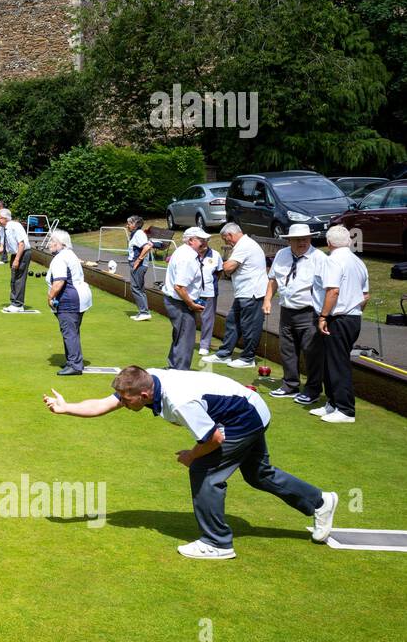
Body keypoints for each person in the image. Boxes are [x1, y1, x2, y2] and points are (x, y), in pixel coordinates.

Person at [43, 366, 338, 560]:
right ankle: (320, 502)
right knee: (258, 474)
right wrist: (66, 408)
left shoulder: (179, 401)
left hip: (241, 419)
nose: (122, 402)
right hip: (248, 409)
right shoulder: (146, 381)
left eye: (126, 399)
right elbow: (102, 405)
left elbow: (213, 439)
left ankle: (217, 543)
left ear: (144, 395)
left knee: (205, 471)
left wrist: (190, 455)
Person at [303, 225, 369, 424]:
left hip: (338, 318)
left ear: (329, 243)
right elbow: (365, 295)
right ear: (348, 241)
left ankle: (346, 410)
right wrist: (353, 312)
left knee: (337, 364)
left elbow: (333, 291)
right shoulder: (358, 262)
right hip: (351, 317)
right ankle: (332, 403)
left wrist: (323, 316)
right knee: (330, 362)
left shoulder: (332, 261)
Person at [264, 224, 322, 400]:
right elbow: (273, 279)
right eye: (297, 239)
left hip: (310, 312)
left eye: (305, 238)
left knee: (311, 352)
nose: (302, 242)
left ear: (311, 239)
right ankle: (290, 385)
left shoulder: (319, 258)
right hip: (286, 310)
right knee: (287, 350)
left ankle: (313, 390)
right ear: (289, 240)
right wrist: (267, 299)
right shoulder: (282, 255)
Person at [204, 223, 267, 368]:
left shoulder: (245, 245)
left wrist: (220, 265)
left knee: (249, 326)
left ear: (230, 235)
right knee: (232, 322)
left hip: (252, 292)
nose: (227, 243)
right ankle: (224, 354)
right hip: (243, 292)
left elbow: (229, 267)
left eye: (226, 239)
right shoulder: (242, 245)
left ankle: (248, 358)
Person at [45, 230, 92, 376]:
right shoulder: (70, 254)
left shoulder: (60, 258)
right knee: (72, 331)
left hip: (70, 299)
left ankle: (75, 365)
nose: (49, 244)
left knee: (69, 332)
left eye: (53, 241)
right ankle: (73, 361)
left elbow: (59, 281)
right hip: (80, 297)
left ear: (62, 244)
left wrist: (50, 297)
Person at [162, 227, 208, 370]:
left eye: (205, 239)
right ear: (190, 240)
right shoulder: (187, 257)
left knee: (180, 336)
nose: (205, 242)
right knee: (185, 339)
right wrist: (192, 304)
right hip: (180, 303)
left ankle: (173, 368)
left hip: (177, 301)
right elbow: (179, 287)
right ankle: (180, 372)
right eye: (201, 240)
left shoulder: (185, 252)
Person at [194, 239, 224, 357]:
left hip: (209, 292)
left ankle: (204, 345)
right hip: (192, 292)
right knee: (190, 318)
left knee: (207, 319)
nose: (203, 244)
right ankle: (187, 342)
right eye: (201, 242)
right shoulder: (190, 254)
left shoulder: (215, 255)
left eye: (205, 241)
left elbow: (218, 273)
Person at [0, 208, 29, 313]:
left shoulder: (15, 226)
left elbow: (22, 244)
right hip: (15, 253)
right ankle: (14, 302)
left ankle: (18, 304)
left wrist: (17, 259)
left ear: (6, 218)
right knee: (13, 278)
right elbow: (2, 248)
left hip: (23, 253)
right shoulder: (3, 229)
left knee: (19, 278)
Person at [125, 216, 152, 321]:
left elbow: (147, 247)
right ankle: (143, 312)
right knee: (139, 288)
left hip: (138, 265)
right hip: (138, 264)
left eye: (129, 223)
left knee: (135, 287)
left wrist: (138, 260)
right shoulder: (136, 234)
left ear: (135, 225)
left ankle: (144, 312)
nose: (127, 225)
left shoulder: (139, 234)